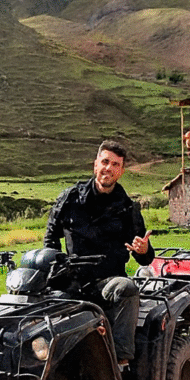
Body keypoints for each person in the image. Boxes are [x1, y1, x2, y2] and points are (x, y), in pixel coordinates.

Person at [44, 140, 154, 366]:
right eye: (105, 162)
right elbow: (50, 239)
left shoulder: (127, 208)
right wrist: (54, 266)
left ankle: (120, 361)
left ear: (121, 171)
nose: (108, 168)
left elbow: (144, 255)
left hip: (107, 281)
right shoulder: (70, 198)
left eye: (115, 164)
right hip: (71, 280)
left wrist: (143, 250)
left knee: (127, 288)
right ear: (95, 165)